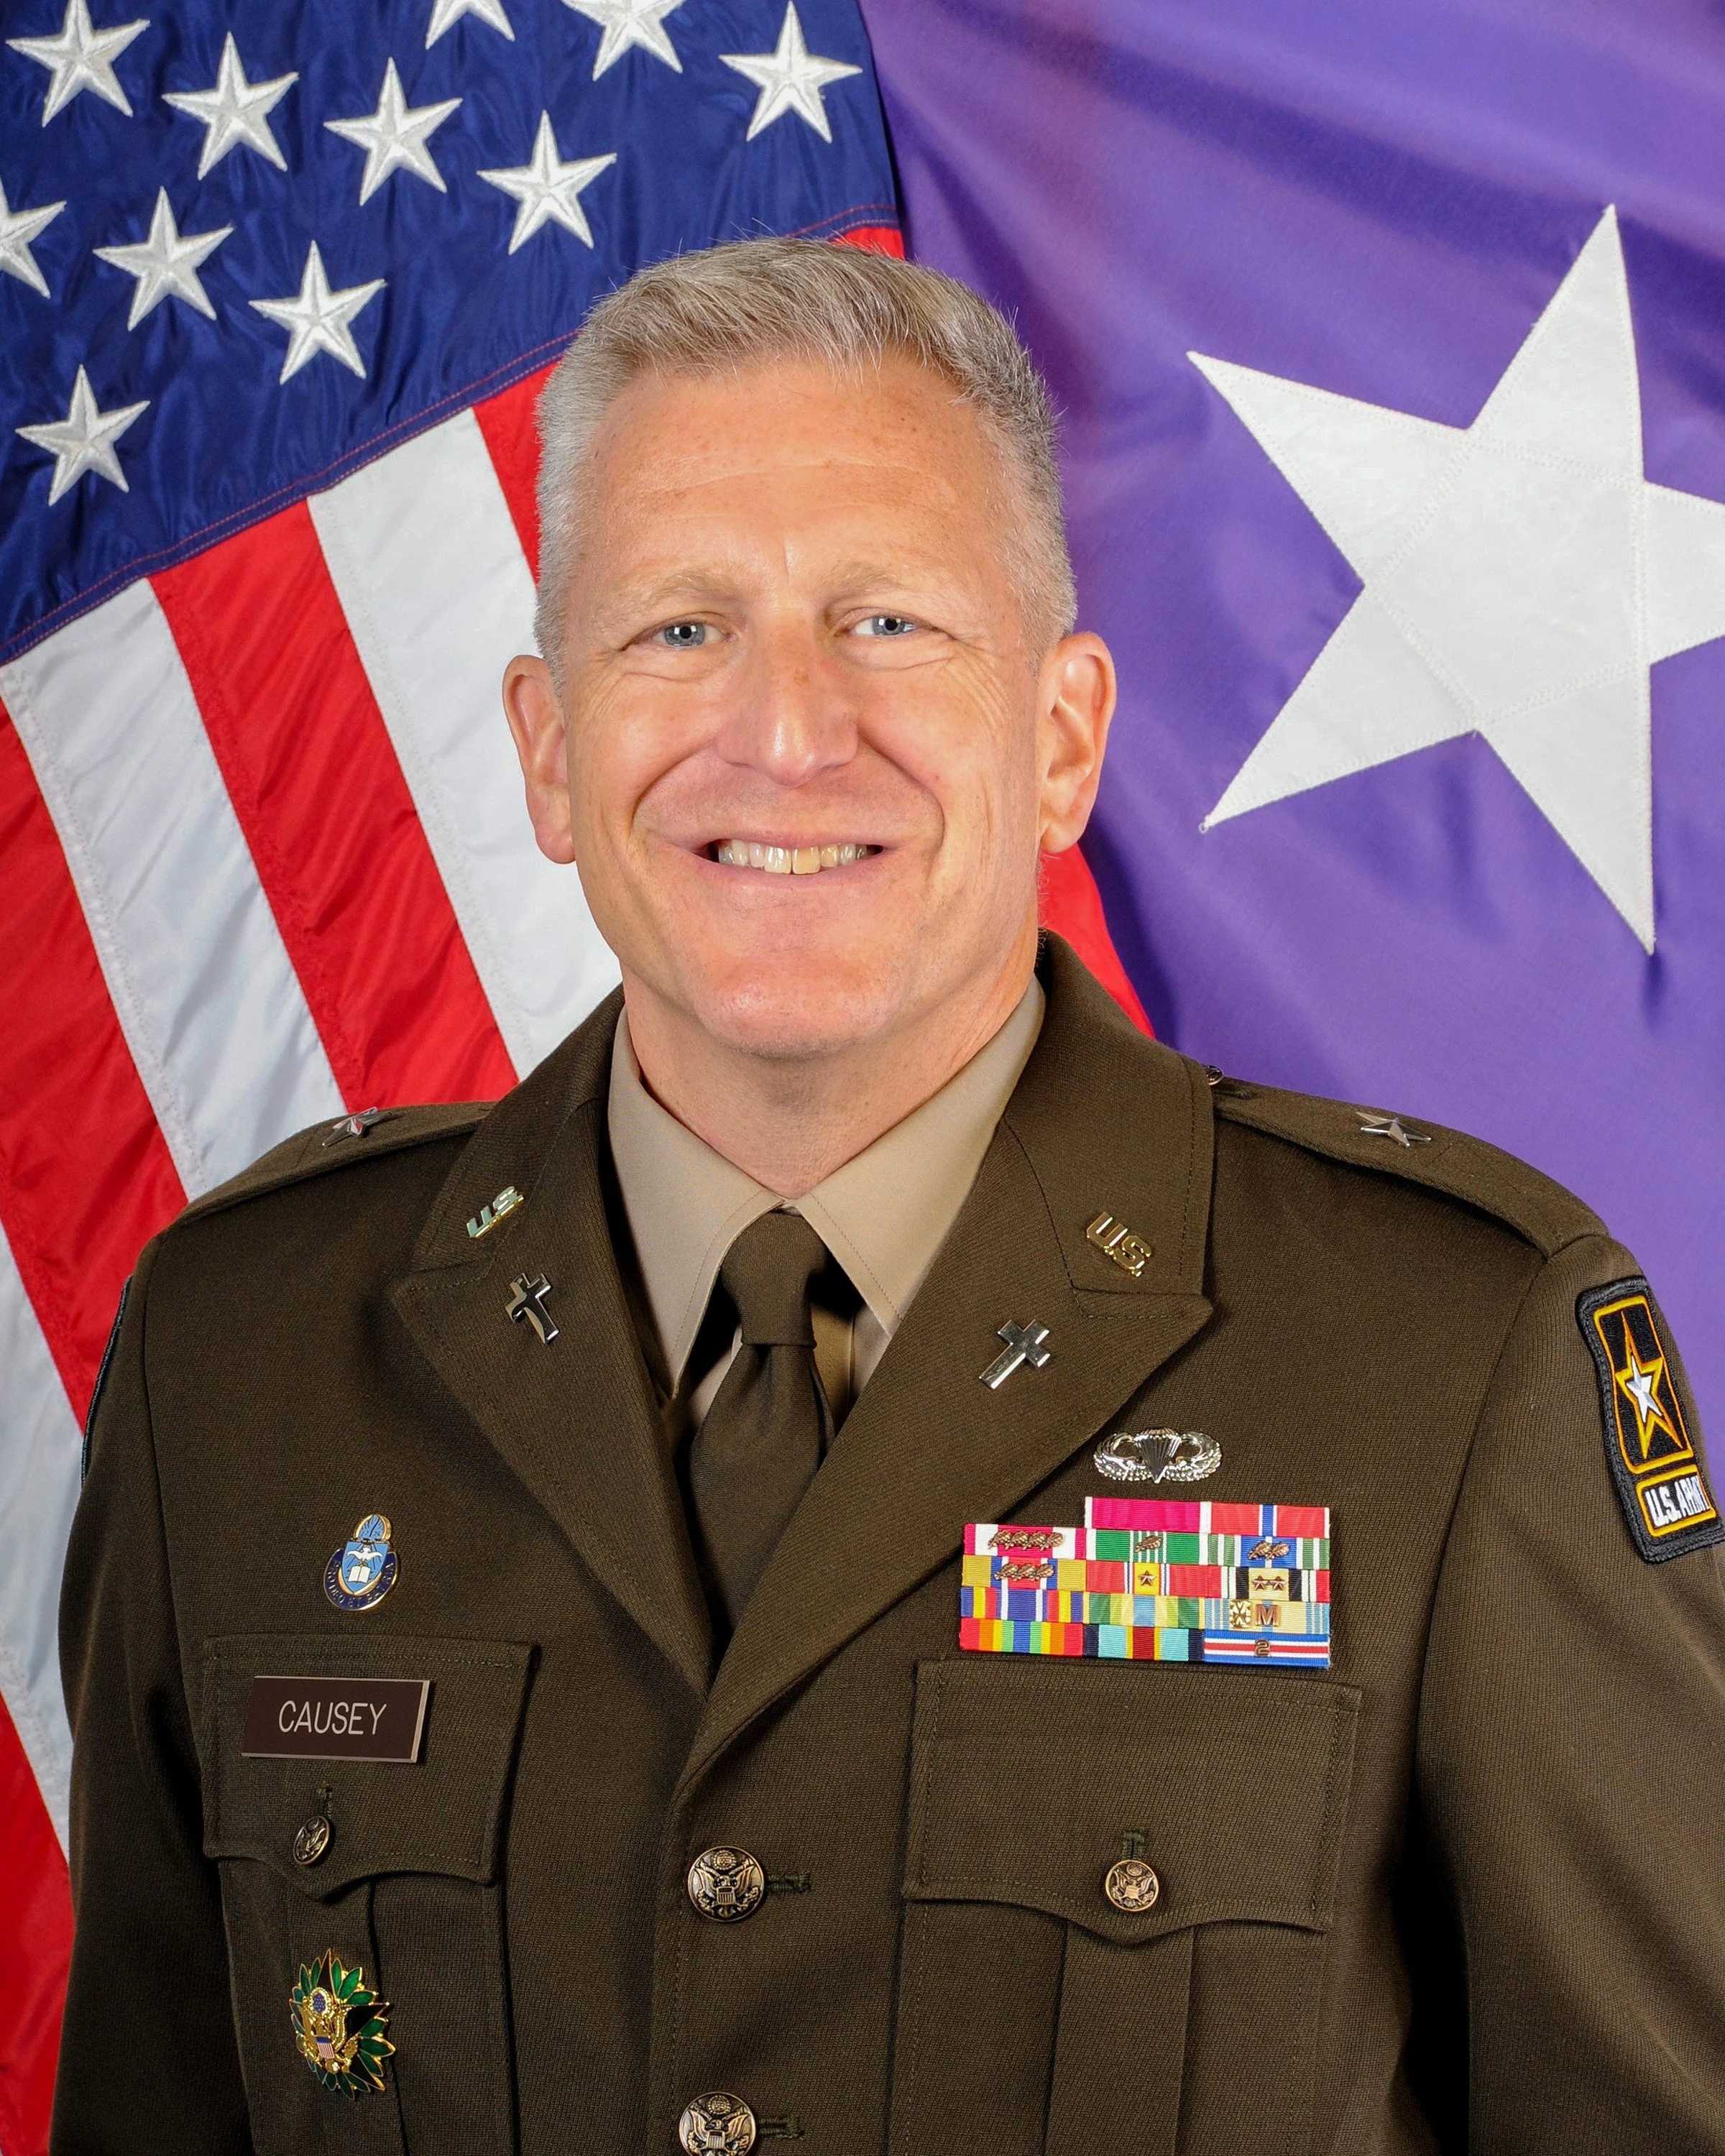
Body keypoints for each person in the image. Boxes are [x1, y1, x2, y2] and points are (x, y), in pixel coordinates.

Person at [55, 238, 1725, 2156]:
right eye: (678, 629)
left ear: (1063, 736)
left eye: (891, 625)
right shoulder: (242, 1360)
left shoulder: (1448, 1357)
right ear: (542, 748)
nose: (782, 732)